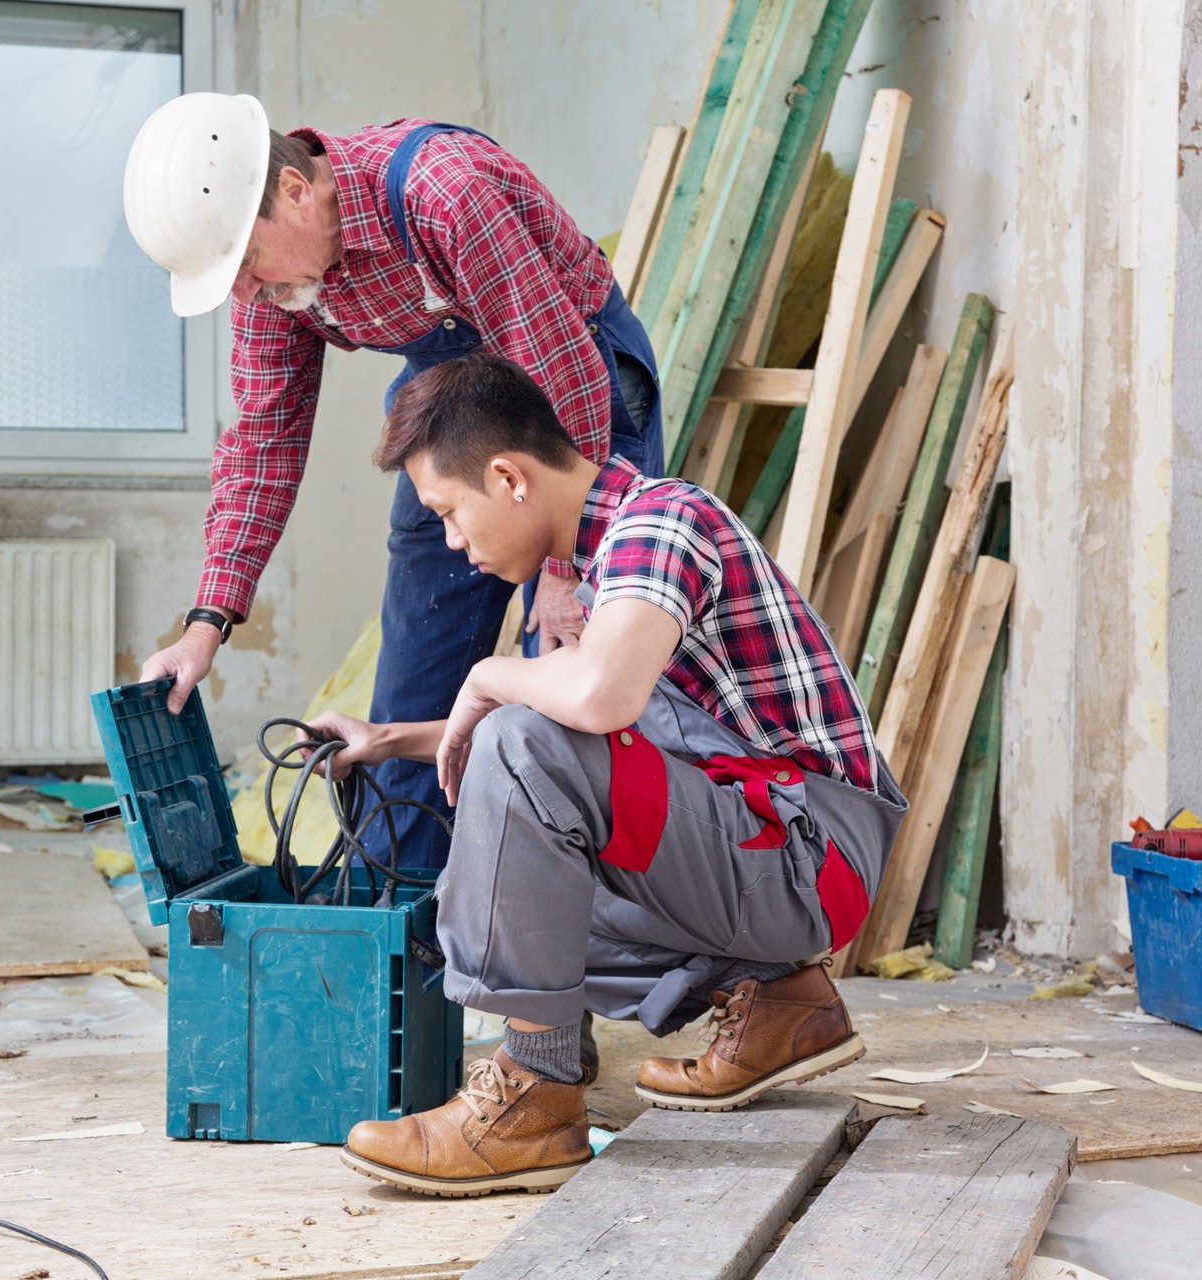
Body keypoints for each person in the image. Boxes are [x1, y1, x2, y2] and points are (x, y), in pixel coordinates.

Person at [311, 353, 907, 1197]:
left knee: (522, 746)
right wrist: (384, 738)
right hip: (778, 847)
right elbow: (579, 735)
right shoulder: (612, 556)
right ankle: (784, 1002)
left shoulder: (660, 524)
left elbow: (591, 701)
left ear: (509, 478)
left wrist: (486, 675)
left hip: (810, 858)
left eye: (450, 512)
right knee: (500, 866)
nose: (451, 541)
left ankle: (537, 1093)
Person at [120, 93, 663, 871]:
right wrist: (205, 624)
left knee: (570, 688)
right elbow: (263, 442)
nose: (244, 294)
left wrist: (563, 569)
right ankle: (406, 944)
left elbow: (564, 376)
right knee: (412, 691)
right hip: (454, 402)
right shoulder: (275, 285)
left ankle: (558, 964)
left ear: (296, 192)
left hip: (576, 400)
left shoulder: (445, 191)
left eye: (243, 266)